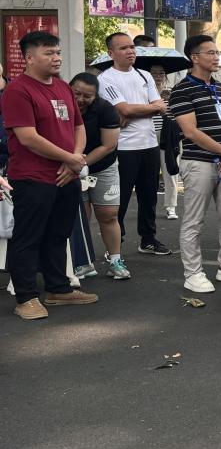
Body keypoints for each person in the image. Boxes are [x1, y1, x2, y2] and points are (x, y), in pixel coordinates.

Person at [3, 31, 98, 320]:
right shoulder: (17, 91)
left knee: (59, 233)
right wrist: (69, 158)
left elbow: (78, 127)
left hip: (67, 175)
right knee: (28, 237)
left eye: (57, 52)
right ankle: (26, 298)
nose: (56, 58)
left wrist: (75, 160)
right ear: (29, 58)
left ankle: (58, 289)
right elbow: (28, 137)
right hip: (32, 177)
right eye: (48, 53)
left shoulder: (63, 87)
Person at [169, 34, 221, 294]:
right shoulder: (182, 89)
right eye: (211, 53)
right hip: (199, 163)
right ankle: (193, 273)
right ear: (195, 57)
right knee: (194, 221)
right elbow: (191, 132)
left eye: (218, 52)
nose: (217, 57)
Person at [98, 32, 171, 255]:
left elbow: (159, 105)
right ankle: (116, 244)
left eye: (132, 47)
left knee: (148, 196)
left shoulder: (144, 75)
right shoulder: (106, 78)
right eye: (123, 48)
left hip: (149, 144)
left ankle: (148, 239)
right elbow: (125, 109)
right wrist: (149, 108)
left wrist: (140, 109)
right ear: (111, 53)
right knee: (119, 199)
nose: (130, 51)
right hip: (123, 147)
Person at [70, 73, 130, 279]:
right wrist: (74, 164)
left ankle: (115, 260)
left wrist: (83, 163)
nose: (81, 99)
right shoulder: (61, 106)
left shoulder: (105, 109)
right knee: (80, 216)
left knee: (108, 214)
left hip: (103, 165)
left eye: (87, 96)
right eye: (77, 93)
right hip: (71, 166)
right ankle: (82, 261)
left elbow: (109, 145)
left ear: (96, 96)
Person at [147, 63, 181, 221]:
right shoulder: (143, 91)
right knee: (149, 174)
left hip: (168, 135)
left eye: (161, 73)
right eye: (154, 73)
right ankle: (149, 206)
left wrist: (169, 101)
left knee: (170, 171)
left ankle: (171, 207)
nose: (158, 76)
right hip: (148, 134)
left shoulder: (172, 91)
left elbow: (178, 114)